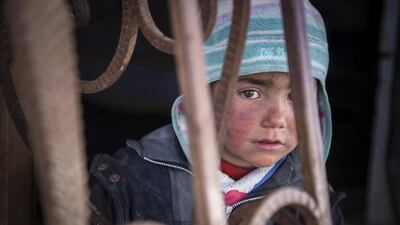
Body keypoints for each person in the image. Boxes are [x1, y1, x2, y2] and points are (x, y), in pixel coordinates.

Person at [89, 0, 345, 224]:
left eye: (297, 97)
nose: (277, 119)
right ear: (201, 94)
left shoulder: (313, 201)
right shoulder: (131, 180)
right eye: (250, 93)